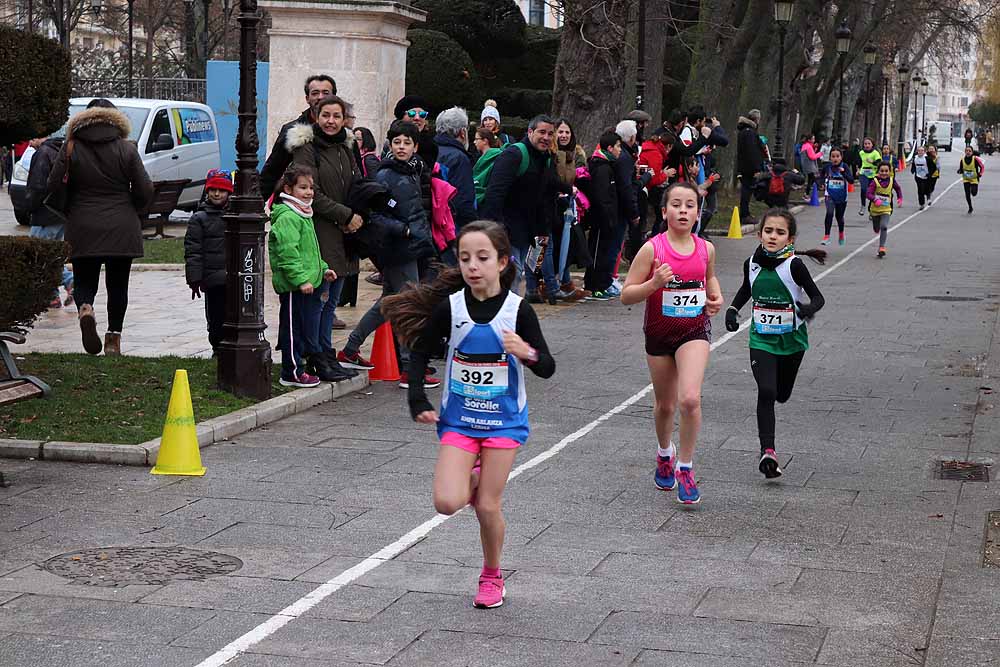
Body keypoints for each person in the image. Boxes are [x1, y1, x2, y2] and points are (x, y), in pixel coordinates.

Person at [383, 220, 555, 610]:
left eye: (482, 258)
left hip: (503, 424)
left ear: (503, 262)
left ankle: (492, 576)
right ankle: (474, 476)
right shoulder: (452, 307)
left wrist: (525, 352)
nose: (472, 266)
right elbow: (421, 352)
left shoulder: (517, 311)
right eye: (464, 259)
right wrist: (417, 401)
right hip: (459, 422)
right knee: (446, 503)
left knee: (488, 506)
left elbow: (547, 366)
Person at [620, 182, 724, 505]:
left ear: (697, 212)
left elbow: (709, 278)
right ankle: (665, 452)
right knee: (665, 405)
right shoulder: (653, 249)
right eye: (676, 205)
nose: (683, 210)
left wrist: (716, 296)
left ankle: (686, 467)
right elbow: (626, 294)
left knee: (690, 399)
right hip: (659, 333)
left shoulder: (705, 248)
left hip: (694, 331)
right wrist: (654, 283)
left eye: (689, 205)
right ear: (664, 212)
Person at [46, 98, 153, 356]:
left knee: (85, 278)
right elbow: (145, 189)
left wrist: (69, 209)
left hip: (83, 224)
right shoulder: (126, 149)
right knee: (118, 285)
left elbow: (53, 185)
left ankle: (85, 307)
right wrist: (132, 208)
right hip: (121, 225)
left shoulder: (70, 147)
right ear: (115, 119)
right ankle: (113, 339)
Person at [724, 209, 826, 478]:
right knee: (767, 391)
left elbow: (818, 298)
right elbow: (747, 288)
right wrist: (733, 309)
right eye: (768, 231)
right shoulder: (751, 263)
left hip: (792, 340)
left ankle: (769, 443)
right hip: (761, 338)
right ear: (759, 234)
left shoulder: (794, 266)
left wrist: (807, 309)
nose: (773, 236)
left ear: (789, 239)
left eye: (780, 232)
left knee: (782, 394)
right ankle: (767, 451)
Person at [337, 120, 438, 387]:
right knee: (409, 305)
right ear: (390, 145)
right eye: (397, 142)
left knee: (388, 304)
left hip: (411, 245)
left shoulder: (414, 170)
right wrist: (402, 230)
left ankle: (350, 349)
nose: (402, 147)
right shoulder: (386, 174)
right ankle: (408, 368)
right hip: (397, 247)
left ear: (415, 146)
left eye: (407, 143)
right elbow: (376, 214)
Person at [286, 94, 362, 381]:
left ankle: (326, 353)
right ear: (316, 117)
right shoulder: (307, 148)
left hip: (345, 232)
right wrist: (345, 215)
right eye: (326, 115)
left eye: (337, 116)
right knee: (321, 298)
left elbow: (356, 183)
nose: (331, 121)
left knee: (332, 302)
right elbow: (310, 192)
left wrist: (356, 215)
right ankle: (315, 355)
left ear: (345, 120)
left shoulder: (346, 146)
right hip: (320, 231)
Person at [269, 164, 338, 388]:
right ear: (288, 189)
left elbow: (310, 251)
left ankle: (299, 366)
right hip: (293, 287)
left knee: (302, 327)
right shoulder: (289, 216)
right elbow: (288, 253)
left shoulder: (303, 213)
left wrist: (323, 268)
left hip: (307, 283)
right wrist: (300, 280)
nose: (308, 192)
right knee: (292, 329)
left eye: (311, 188)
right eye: (303, 188)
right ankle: (291, 372)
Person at [479, 115, 557, 294]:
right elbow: (495, 193)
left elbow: (541, 197)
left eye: (550, 134)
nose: (546, 137)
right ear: (530, 132)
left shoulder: (544, 158)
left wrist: (543, 231)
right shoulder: (514, 154)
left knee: (515, 276)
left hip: (524, 233)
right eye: (542, 132)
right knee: (511, 278)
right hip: (506, 230)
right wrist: (497, 229)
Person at [260, 74, 337, 198]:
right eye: (315, 93)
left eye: (326, 93)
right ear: (307, 98)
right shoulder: (292, 132)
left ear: (334, 97)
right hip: (301, 206)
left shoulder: (345, 136)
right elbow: (272, 173)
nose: (320, 97)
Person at [184, 169, 233, 354]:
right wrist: (195, 279)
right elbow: (193, 250)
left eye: (222, 190)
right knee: (215, 315)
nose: (217, 193)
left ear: (230, 192)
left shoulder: (236, 216)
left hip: (234, 279)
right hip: (213, 280)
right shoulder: (199, 218)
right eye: (213, 189)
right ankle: (217, 346)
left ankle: (230, 345)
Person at [23, 133, 74, 308]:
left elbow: (37, 186)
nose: (30, 143)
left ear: (41, 136)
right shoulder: (61, 150)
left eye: (32, 138)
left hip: (44, 213)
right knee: (52, 255)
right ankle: (52, 296)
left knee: (38, 256)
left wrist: (29, 205)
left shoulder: (43, 153)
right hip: (60, 212)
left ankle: (69, 281)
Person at [583, 130, 621, 301]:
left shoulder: (608, 166)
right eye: (618, 147)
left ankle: (600, 284)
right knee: (597, 251)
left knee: (604, 252)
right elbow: (601, 197)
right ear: (610, 147)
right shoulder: (602, 168)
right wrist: (608, 217)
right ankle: (594, 286)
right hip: (601, 219)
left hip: (608, 218)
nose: (620, 150)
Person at [434, 107, 477, 230]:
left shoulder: (431, 152)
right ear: (463, 132)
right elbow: (463, 201)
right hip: (453, 228)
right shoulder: (459, 158)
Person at [638, 127, 677, 238]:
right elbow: (654, 179)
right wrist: (666, 174)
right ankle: (655, 239)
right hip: (646, 189)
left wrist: (661, 172)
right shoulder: (656, 154)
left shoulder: (650, 147)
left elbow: (651, 171)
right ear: (669, 146)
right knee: (660, 216)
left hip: (643, 187)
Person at [867, 161, 902, 258]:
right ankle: (876, 228)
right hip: (875, 210)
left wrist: (900, 198)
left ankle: (881, 247)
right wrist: (874, 199)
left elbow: (898, 188)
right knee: (876, 227)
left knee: (884, 226)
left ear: (889, 171)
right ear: (878, 171)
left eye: (886, 171)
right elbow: (868, 193)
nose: (884, 173)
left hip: (886, 209)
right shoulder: (875, 181)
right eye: (882, 171)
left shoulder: (891, 180)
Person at [819, 147, 854, 245]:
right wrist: (821, 183)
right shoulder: (827, 167)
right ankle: (826, 236)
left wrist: (843, 173)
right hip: (829, 194)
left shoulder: (845, 166)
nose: (835, 158)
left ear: (841, 157)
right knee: (829, 213)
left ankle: (841, 233)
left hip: (842, 196)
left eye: (837, 156)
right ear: (830, 158)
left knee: (839, 217)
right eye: (833, 156)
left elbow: (851, 180)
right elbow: (821, 176)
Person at [737, 110, 766, 224]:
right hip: (748, 168)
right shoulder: (749, 132)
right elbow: (751, 151)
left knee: (747, 190)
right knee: (747, 190)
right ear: (756, 119)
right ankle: (744, 214)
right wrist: (756, 168)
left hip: (746, 166)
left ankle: (746, 213)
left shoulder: (745, 131)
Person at [856, 138, 881, 215]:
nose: (867, 145)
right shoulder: (861, 153)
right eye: (865, 144)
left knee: (871, 192)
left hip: (873, 174)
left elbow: (879, 164)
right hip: (863, 173)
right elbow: (859, 163)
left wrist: (872, 162)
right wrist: (858, 170)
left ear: (872, 144)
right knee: (863, 189)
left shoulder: (875, 153)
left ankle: (871, 209)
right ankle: (863, 206)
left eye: (868, 144)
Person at [957, 145, 985, 214]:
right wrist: (959, 171)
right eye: (966, 151)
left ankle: (973, 189)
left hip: (974, 179)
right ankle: (970, 207)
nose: (968, 152)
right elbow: (961, 169)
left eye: (969, 151)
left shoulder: (975, 159)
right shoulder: (962, 160)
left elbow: (982, 166)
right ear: (965, 152)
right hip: (966, 179)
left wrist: (980, 174)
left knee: (974, 193)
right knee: (967, 194)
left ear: (972, 152)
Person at [910, 145, 934, 211]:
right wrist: (913, 170)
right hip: (918, 176)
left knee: (926, 189)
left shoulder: (927, 158)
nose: (920, 152)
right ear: (917, 151)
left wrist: (929, 174)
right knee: (920, 190)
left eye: (922, 150)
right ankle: (921, 204)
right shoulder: (915, 158)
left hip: (926, 177)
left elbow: (933, 167)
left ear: (924, 152)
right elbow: (913, 165)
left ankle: (928, 198)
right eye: (919, 150)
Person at [799, 135, 821, 201]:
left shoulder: (805, 145)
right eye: (813, 139)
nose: (814, 140)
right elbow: (812, 157)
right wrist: (820, 153)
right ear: (809, 140)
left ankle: (807, 194)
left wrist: (814, 149)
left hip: (806, 165)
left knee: (811, 180)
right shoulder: (808, 147)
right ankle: (807, 194)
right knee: (812, 179)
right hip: (810, 166)